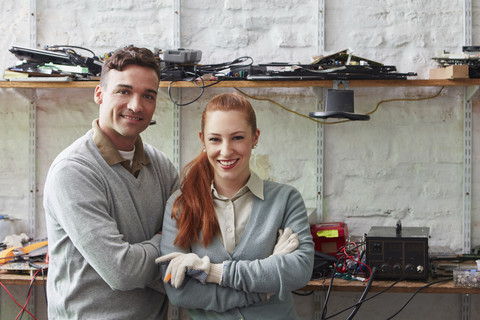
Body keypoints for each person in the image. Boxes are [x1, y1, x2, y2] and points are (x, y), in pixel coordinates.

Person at [43, 47, 179, 320]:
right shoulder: (73, 172)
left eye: (148, 95)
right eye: (123, 91)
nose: (136, 106)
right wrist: (165, 243)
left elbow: (191, 241)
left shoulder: (162, 166)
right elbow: (122, 272)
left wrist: (167, 247)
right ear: (99, 94)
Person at [156, 92, 314, 319]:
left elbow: (298, 271)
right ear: (203, 139)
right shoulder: (181, 204)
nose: (226, 150)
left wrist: (212, 272)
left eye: (237, 137)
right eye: (215, 139)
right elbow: (179, 292)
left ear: (255, 137)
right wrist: (263, 288)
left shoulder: (286, 200)